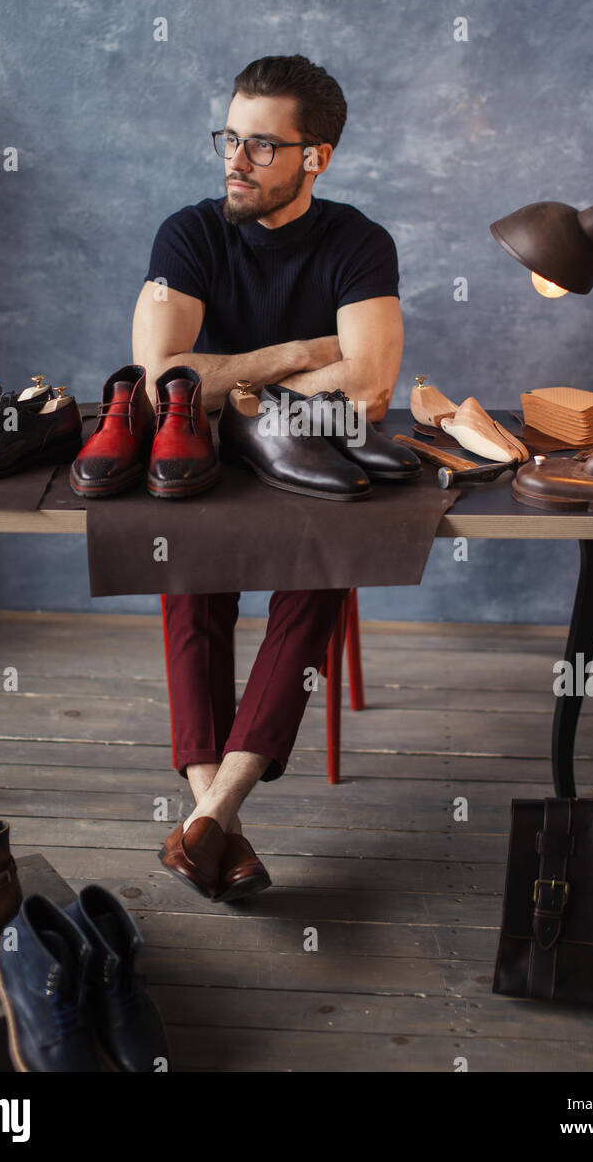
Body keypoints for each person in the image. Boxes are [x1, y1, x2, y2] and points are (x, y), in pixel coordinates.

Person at [132, 53, 404, 900]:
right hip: (205, 448)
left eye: (259, 145)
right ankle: (219, 822)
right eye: (229, 137)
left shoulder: (359, 242)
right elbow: (160, 381)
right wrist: (293, 355)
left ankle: (210, 816)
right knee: (191, 576)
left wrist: (228, 377)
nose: (232, 161)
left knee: (320, 570)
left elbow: (368, 388)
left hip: (314, 454)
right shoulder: (191, 232)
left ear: (313, 158)